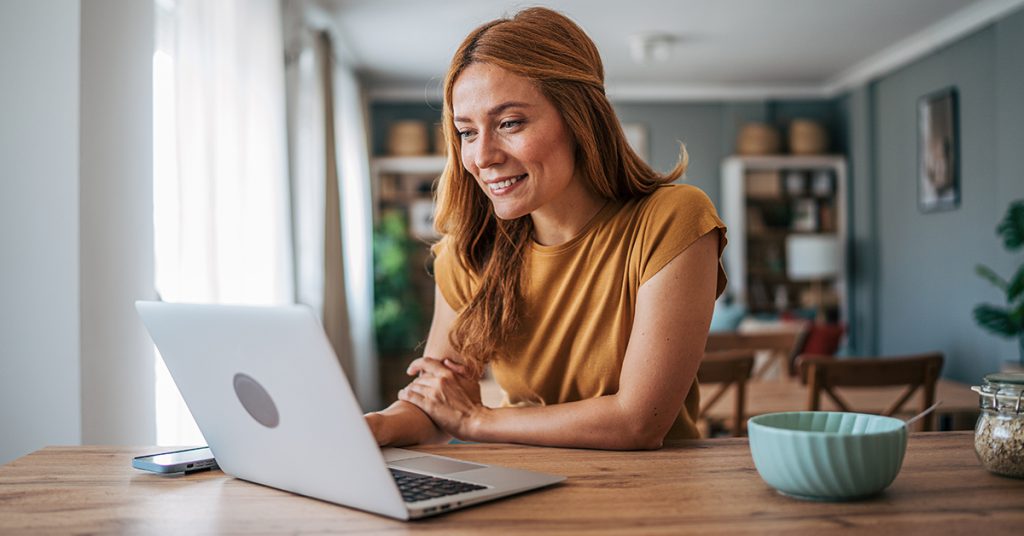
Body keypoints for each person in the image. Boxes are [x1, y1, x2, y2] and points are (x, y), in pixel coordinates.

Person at [364, 7, 727, 450]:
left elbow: (637, 421)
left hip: (651, 502)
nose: (482, 156)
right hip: (523, 494)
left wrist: (478, 422)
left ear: (579, 120)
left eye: (510, 123)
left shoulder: (671, 220)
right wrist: (371, 427)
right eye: (466, 132)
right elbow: (434, 407)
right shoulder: (470, 251)